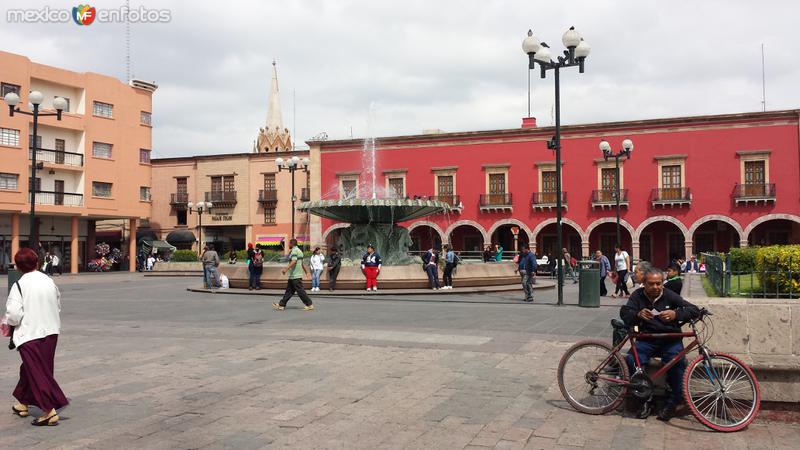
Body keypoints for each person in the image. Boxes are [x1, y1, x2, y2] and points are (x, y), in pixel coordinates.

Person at [620, 266, 700, 421]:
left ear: (663, 283)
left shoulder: (670, 296)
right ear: (644, 283)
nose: (655, 287)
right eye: (651, 284)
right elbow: (625, 313)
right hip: (646, 340)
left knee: (677, 363)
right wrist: (638, 314)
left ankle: (672, 402)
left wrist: (675, 314)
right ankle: (644, 400)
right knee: (632, 359)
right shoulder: (637, 296)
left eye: (659, 283)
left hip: (670, 340)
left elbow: (693, 310)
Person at [4, 248, 69, 426]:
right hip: (51, 330)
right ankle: (24, 402)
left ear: (17, 267)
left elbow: (14, 314)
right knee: (33, 368)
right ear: (37, 263)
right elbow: (57, 304)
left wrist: (6, 322)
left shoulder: (19, 285)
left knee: (36, 371)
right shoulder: (48, 281)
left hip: (30, 333)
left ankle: (49, 410)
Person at [273, 238, 314, 311]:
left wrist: (286, 269)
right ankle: (281, 305)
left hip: (295, 275)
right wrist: (307, 272)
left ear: (292, 244)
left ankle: (309, 304)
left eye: (289, 243)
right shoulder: (300, 251)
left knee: (300, 291)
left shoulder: (294, 251)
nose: (288, 244)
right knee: (289, 291)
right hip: (294, 275)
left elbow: (294, 261)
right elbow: (302, 263)